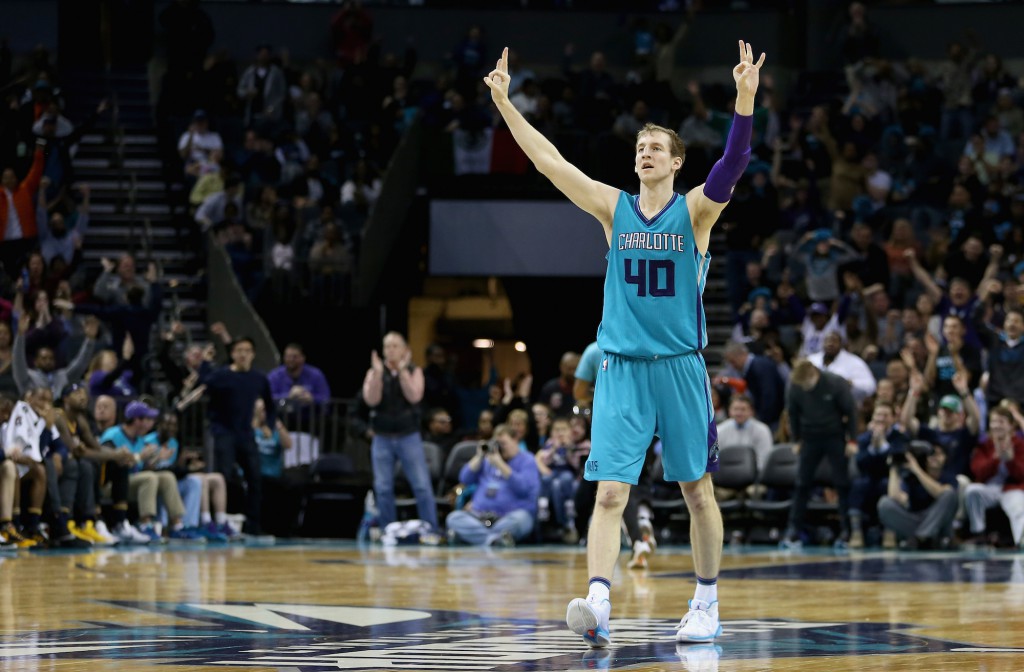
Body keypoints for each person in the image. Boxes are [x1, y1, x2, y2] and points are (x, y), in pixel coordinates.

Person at [483, 40, 765, 646]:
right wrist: (505, 104)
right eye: (640, 147)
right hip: (621, 367)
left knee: (696, 489)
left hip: (681, 366)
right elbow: (550, 163)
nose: (645, 152)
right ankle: (599, 600)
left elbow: (734, 164)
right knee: (611, 490)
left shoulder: (694, 213)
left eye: (656, 147)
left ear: (675, 163)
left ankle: (707, 602)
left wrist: (744, 98)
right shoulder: (614, 208)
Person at [197, 336, 275, 535]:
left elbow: (271, 404)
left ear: (253, 354)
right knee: (223, 477)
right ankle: (218, 521)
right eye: (239, 350)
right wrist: (205, 362)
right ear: (232, 354)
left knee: (255, 478)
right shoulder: (222, 375)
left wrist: (270, 426)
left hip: (246, 434)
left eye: (247, 350)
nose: (243, 354)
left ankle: (253, 525)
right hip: (223, 432)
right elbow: (203, 382)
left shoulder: (259, 378)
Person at [362, 332, 438, 532]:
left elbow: (414, 396)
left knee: (421, 485)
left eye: (395, 346)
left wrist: (403, 372)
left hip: (408, 435)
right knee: (383, 487)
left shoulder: (414, 370)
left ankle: (430, 529)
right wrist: (378, 375)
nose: (391, 350)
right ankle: (389, 530)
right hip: (382, 436)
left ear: (405, 350)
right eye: (387, 346)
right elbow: (371, 400)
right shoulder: (374, 372)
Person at [781, 360, 859, 548]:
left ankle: (846, 530)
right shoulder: (796, 386)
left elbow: (851, 411)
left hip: (834, 435)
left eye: (807, 383)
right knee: (801, 484)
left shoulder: (835, 383)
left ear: (814, 374)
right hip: (809, 437)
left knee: (841, 483)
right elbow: (792, 413)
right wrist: (797, 440)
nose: (805, 388)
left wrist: (852, 440)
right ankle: (793, 530)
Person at [444, 424, 540, 546]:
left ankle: (476, 537)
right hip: (479, 517)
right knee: (454, 518)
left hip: (509, 518)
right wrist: (479, 456)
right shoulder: (487, 460)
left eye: (503, 444)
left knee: (522, 520)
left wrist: (500, 464)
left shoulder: (527, 460)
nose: (500, 448)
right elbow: (464, 479)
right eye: (497, 444)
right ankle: (493, 540)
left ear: (515, 440)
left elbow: (523, 488)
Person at [878, 441, 958, 549]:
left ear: (946, 458)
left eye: (939, 454)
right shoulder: (911, 478)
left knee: (949, 494)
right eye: (931, 454)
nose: (934, 457)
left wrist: (917, 469)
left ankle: (921, 537)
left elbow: (940, 493)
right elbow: (896, 498)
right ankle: (924, 537)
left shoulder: (948, 476)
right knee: (884, 503)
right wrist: (894, 468)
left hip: (939, 523)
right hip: (916, 521)